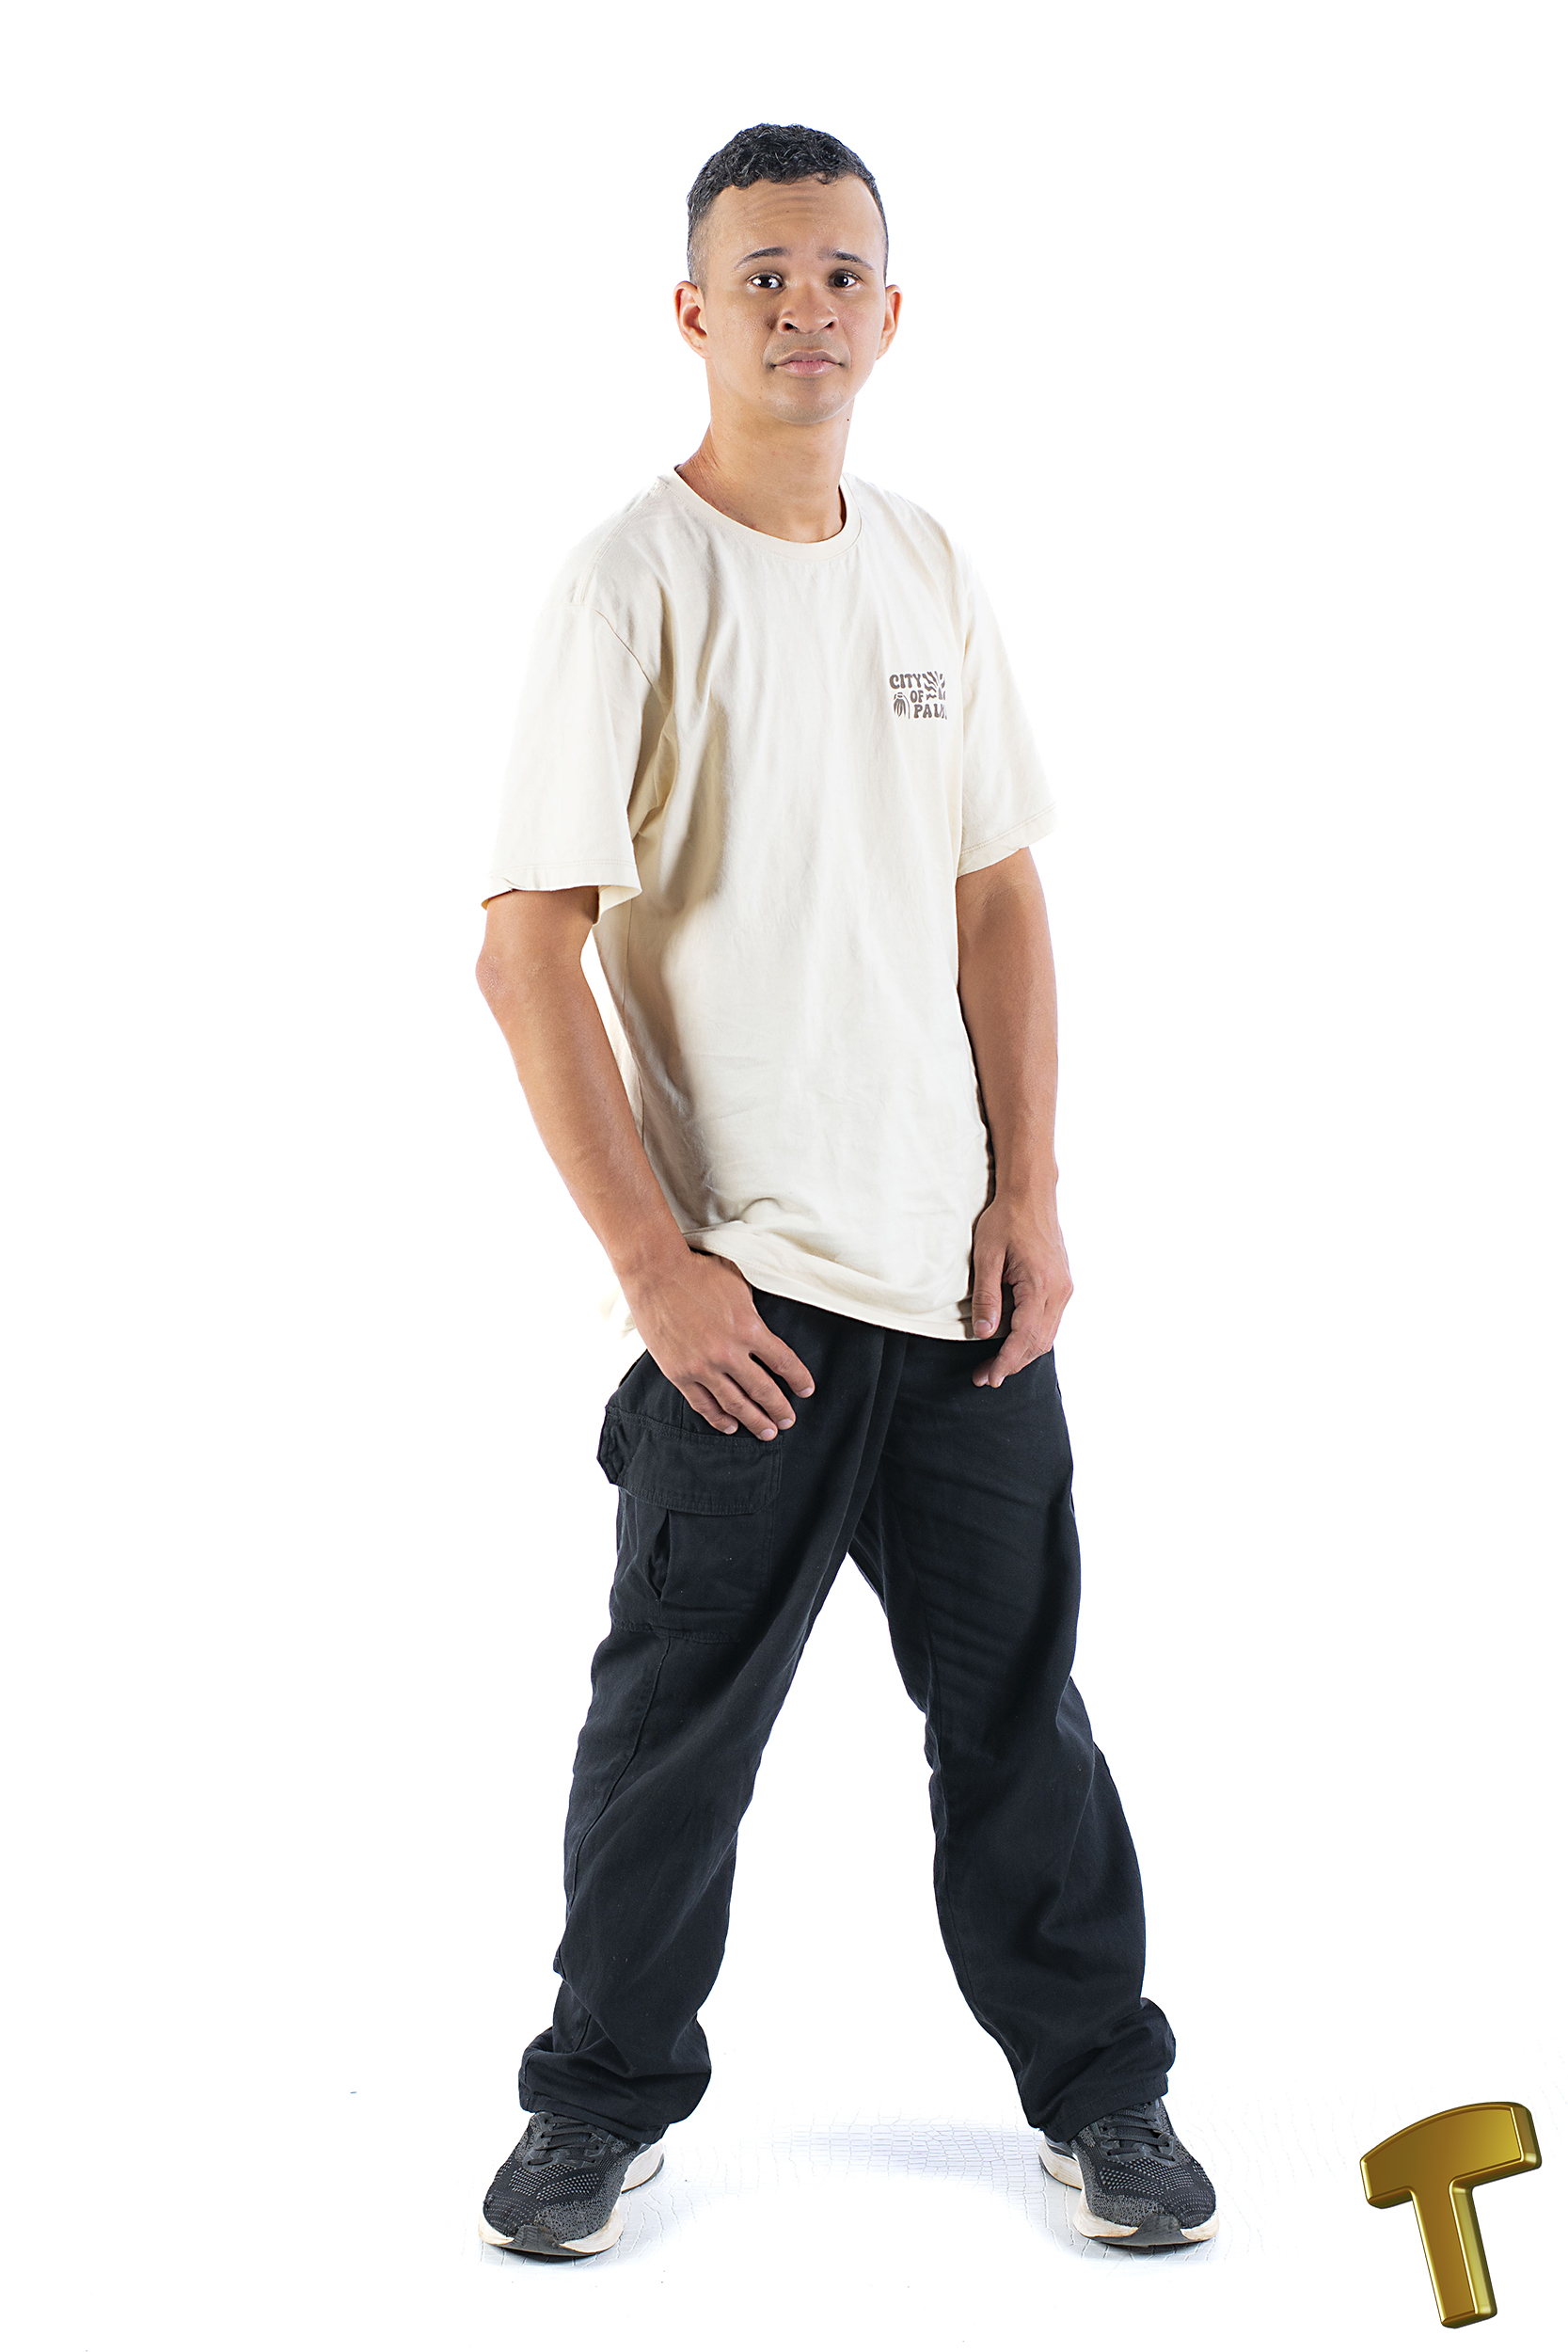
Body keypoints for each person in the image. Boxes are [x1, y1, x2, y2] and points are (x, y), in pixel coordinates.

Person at [473, 121, 1218, 2263]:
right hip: (753, 1294)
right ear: (693, 313)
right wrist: (654, 1266)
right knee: (677, 1733)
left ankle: (1104, 2095)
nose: (806, 308)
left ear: (892, 313)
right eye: (765, 276)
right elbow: (525, 947)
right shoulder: (628, 583)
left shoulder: (927, 565)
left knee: (1018, 1717)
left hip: (956, 1274)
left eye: (840, 274)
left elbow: (996, 895)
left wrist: (1030, 1192)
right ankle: (595, 2107)